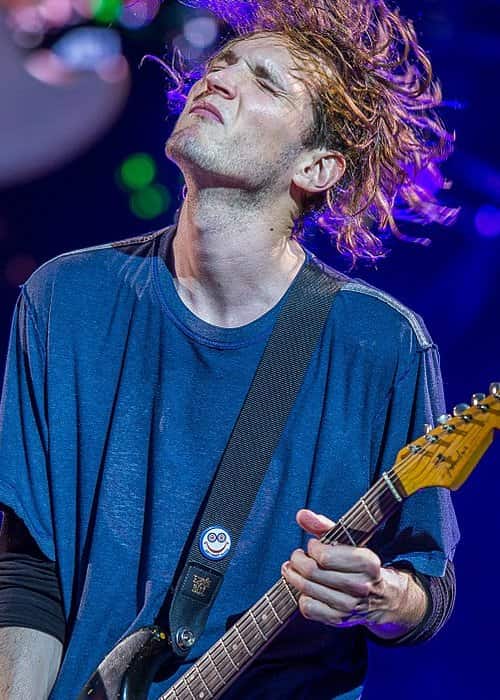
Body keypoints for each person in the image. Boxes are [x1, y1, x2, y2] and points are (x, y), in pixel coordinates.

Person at [0, 2, 460, 698]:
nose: (216, 80)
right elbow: (29, 571)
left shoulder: (380, 345)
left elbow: (427, 594)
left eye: (264, 82)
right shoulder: (66, 300)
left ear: (318, 167)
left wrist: (379, 594)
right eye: (221, 66)